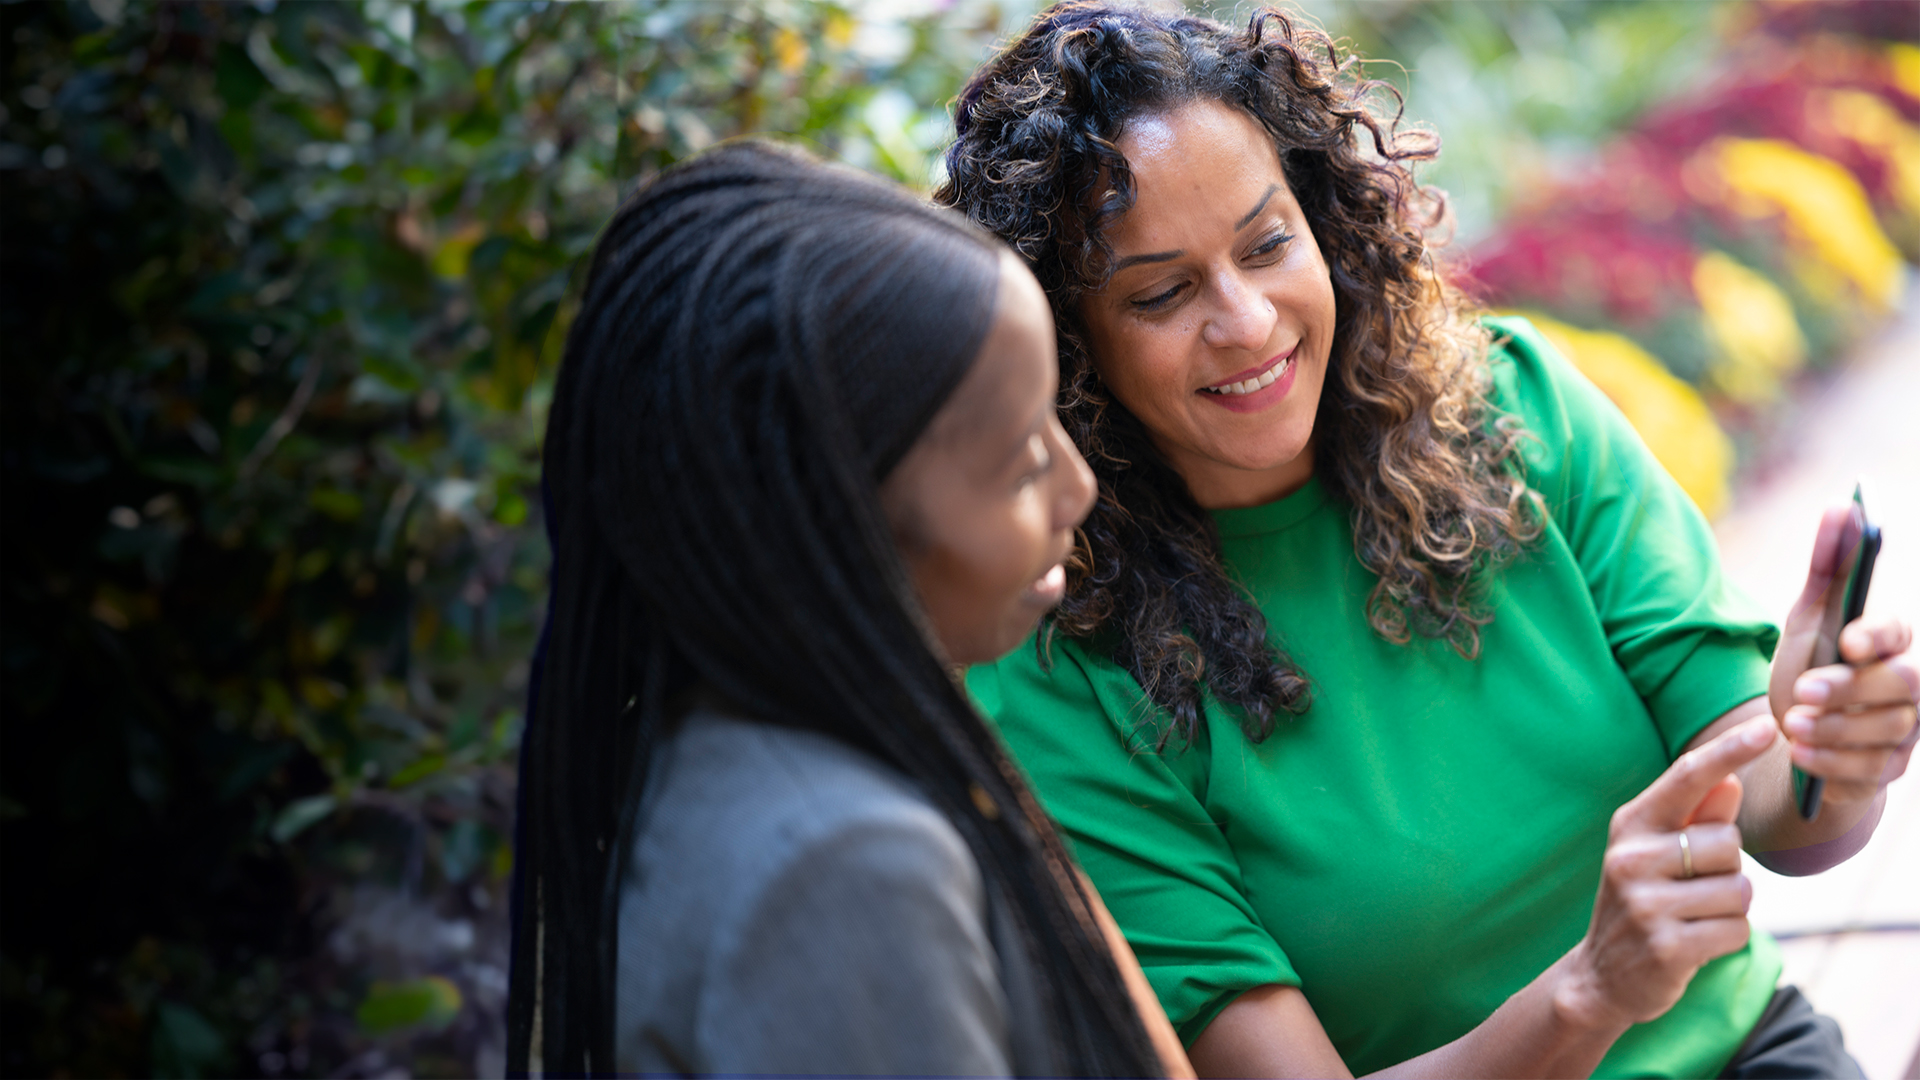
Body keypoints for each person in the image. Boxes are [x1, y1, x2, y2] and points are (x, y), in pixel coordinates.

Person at [936, 5, 1920, 1078]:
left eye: (1267, 244)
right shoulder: (1062, 670)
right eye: (1163, 292)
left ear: (1323, 223)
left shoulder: (1516, 410)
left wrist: (1828, 757)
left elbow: (1783, 819)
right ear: (1068, 346)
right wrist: (1588, 996)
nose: (1248, 322)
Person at [505, 141, 1194, 1077]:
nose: (1078, 487)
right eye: (1019, 463)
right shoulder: (848, 864)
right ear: (827, 519)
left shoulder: (717, 742)